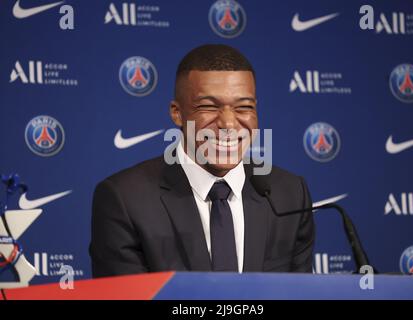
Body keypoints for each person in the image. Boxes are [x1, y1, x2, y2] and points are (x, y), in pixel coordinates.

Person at [90, 44, 315, 277]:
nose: (228, 123)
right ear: (177, 113)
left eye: (244, 107)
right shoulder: (125, 199)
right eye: (208, 106)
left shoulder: (290, 194)